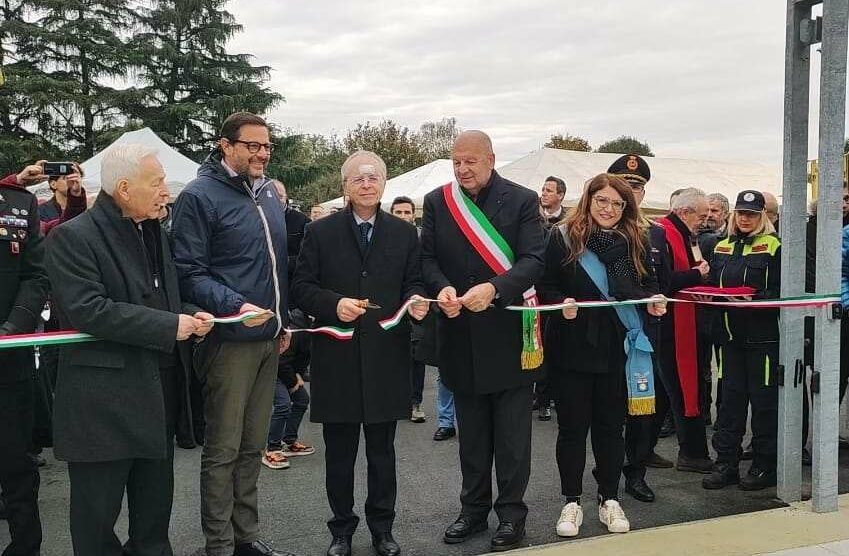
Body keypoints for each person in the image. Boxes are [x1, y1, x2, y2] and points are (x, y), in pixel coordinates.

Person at [46, 145, 215, 556]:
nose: (166, 192)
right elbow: (89, 310)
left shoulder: (153, 231)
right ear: (124, 188)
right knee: (96, 524)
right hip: (101, 409)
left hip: (156, 399)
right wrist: (170, 325)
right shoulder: (73, 237)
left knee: (154, 521)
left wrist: (193, 315)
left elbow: (161, 300)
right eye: (156, 183)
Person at [170, 112, 295, 556]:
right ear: (226, 146)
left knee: (252, 446)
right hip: (228, 341)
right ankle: (219, 545)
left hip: (267, 339)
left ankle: (246, 537)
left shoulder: (265, 194)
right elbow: (188, 273)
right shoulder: (199, 197)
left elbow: (279, 268)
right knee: (223, 450)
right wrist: (235, 306)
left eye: (267, 147)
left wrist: (282, 322)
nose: (262, 154)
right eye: (253, 146)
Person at [293, 150, 428, 556]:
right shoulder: (320, 232)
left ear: (384, 184)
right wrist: (333, 304)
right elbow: (301, 286)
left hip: (386, 357)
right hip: (338, 358)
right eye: (358, 178)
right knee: (339, 455)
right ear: (344, 186)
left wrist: (416, 301)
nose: (367, 184)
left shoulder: (405, 233)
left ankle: (382, 528)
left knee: (383, 454)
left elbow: (414, 282)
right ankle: (341, 529)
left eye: (374, 178)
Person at [421, 131, 545, 552]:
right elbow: (427, 259)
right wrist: (441, 290)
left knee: (511, 440)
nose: (462, 169)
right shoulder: (439, 202)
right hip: (459, 332)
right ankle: (473, 511)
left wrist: (494, 288)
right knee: (471, 438)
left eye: (470, 161)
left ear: (491, 159)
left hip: (508, 335)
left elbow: (534, 260)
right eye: (456, 162)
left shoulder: (523, 200)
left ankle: (511, 516)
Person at [539, 173, 665, 538]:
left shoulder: (637, 239)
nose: (609, 209)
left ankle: (609, 497)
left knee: (611, 429)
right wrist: (559, 303)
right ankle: (571, 500)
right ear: (588, 200)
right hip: (572, 347)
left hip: (617, 348)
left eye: (617, 203)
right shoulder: (562, 237)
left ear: (626, 207)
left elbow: (649, 283)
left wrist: (655, 301)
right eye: (602, 201)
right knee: (573, 430)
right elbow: (545, 285)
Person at [703, 190, 781, 491]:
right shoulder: (721, 246)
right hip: (729, 339)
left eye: (752, 213)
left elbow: (782, 291)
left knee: (764, 405)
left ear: (762, 216)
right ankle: (726, 464)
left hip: (762, 341)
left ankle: (763, 465)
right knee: (729, 404)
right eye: (741, 213)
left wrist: (755, 299)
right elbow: (711, 285)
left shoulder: (774, 246)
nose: (745, 218)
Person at [0, 162, 49, 556]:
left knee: (17, 466)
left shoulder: (18, 203)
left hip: (7, 359)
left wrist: (13, 328)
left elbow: (35, 275)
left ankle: (24, 549)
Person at [390, 195, 428, 423]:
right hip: (392, 308)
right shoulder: (384, 238)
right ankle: (395, 400)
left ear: (414, 215)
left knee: (417, 357)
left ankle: (415, 402)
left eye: (407, 212)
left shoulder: (423, 239)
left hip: (417, 305)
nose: (403, 216)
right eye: (398, 212)